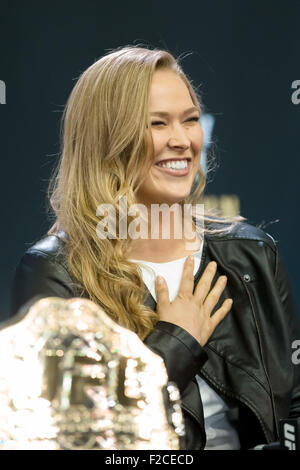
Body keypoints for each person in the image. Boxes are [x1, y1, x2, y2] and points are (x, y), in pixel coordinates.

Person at [10, 45, 300, 450]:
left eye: (191, 120)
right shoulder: (56, 270)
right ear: (108, 138)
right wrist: (176, 340)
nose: (182, 141)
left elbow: (294, 408)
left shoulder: (249, 253)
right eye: (158, 124)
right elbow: (72, 437)